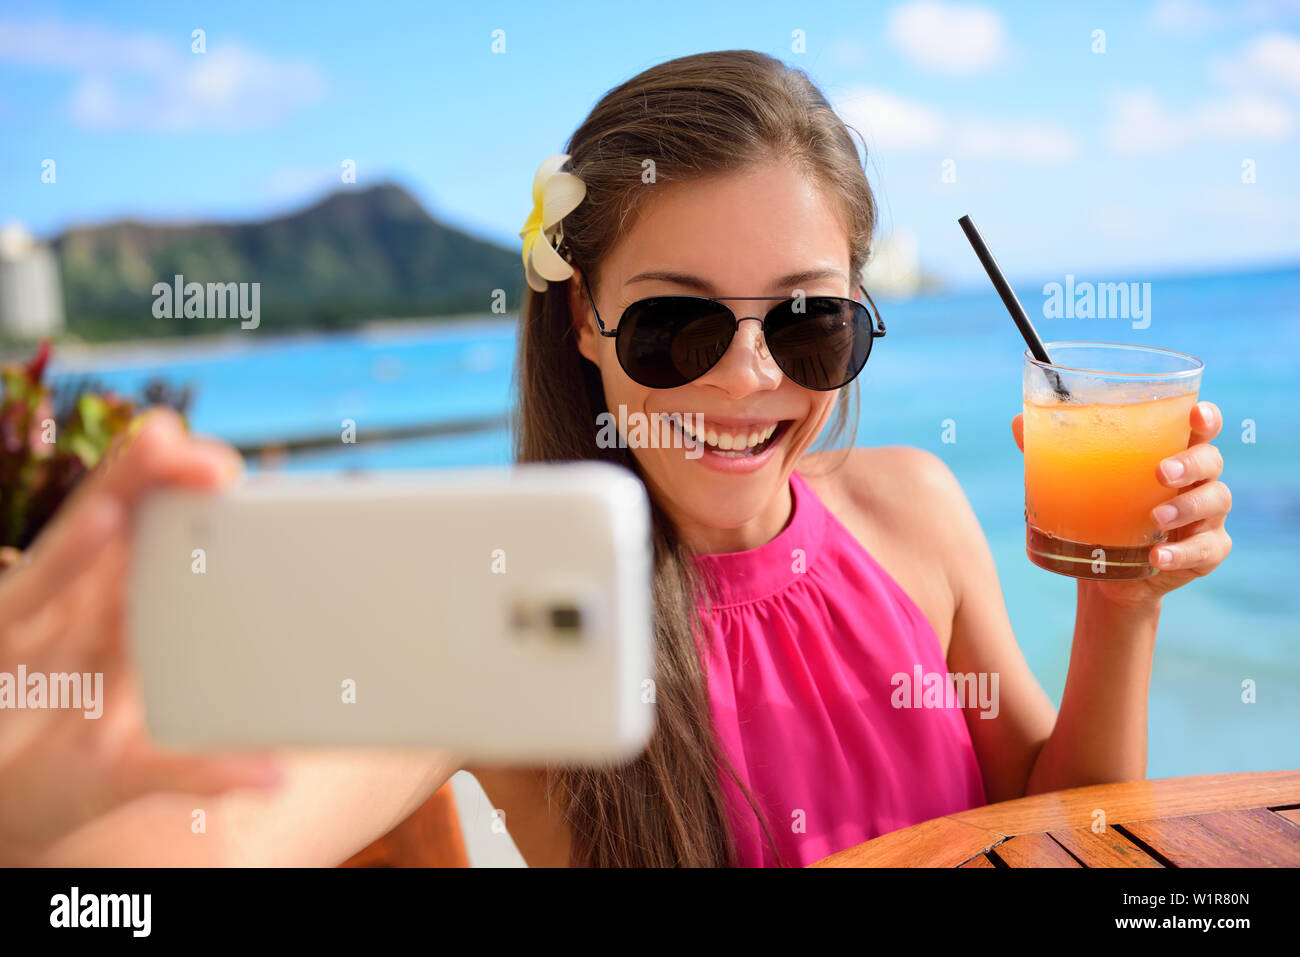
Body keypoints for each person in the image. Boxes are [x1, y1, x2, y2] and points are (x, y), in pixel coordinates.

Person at [2, 50, 1231, 868]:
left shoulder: (913, 509)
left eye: (806, 322)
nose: (748, 378)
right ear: (583, 318)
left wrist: (1118, 605)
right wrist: (39, 803)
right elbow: (224, 835)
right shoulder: (520, 610)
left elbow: (1072, 834)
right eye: (674, 324)